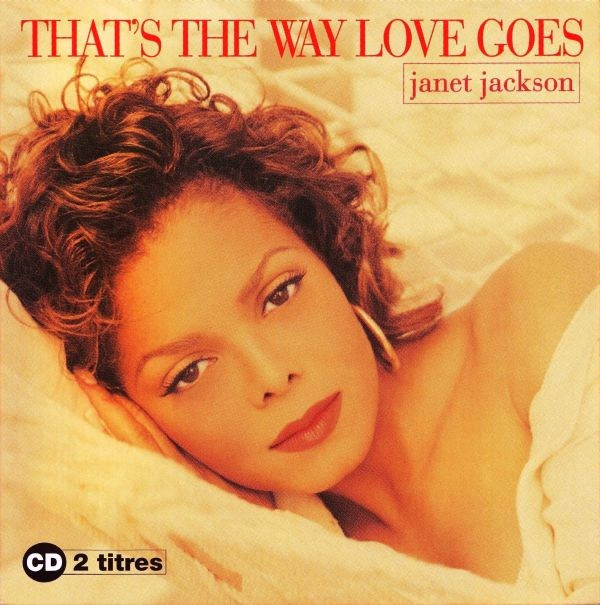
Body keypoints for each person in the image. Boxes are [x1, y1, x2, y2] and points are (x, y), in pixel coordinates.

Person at [0, 61, 597, 586]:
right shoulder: (254, 560)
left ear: (326, 251)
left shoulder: (537, 318)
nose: (271, 376)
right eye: (191, 371)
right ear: (138, 417)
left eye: (279, 294)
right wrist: (248, 539)